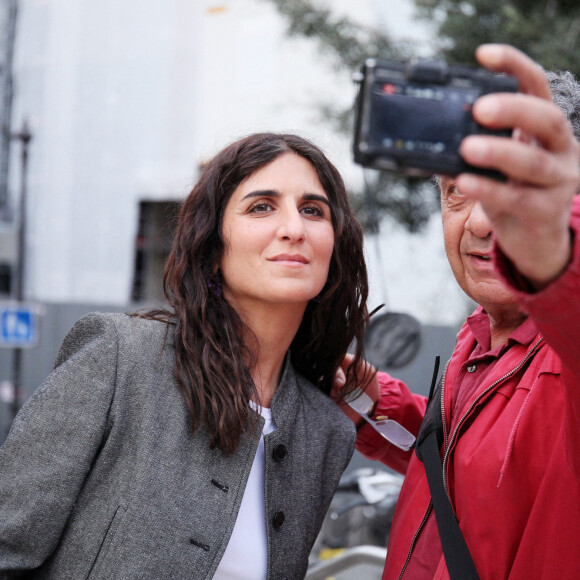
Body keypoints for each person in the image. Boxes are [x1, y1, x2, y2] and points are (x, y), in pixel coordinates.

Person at [0, 132, 370, 579]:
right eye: (261, 206)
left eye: (313, 210)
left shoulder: (325, 433)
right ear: (213, 249)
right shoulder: (122, 359)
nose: (294, 228)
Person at [336, 45, 580, 579]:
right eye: (456, 193)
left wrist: (563, 248)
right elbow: (471, 467)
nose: (479, 223)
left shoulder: (567, 357)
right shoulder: (481, 338)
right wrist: (372, 400)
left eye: (510, 190)